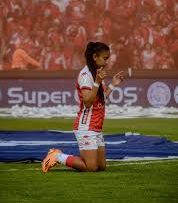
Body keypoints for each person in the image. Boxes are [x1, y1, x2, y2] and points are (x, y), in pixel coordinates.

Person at [42, 42, 124, 172]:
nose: (107, 62)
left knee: (101, 167)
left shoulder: (96, 73)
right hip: (86, 126)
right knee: (91, 167)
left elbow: (99, 99)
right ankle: (57, 156)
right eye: (105, 58)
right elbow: (87, 102)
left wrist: (113, 84)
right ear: (95, 57)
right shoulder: (86, 76)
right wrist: (97, 82)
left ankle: (61, 156)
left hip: (96, 126)